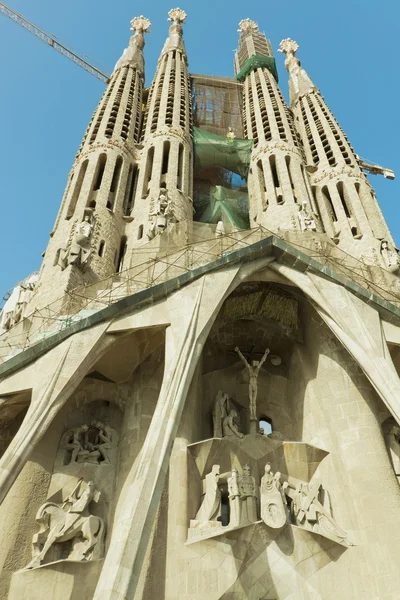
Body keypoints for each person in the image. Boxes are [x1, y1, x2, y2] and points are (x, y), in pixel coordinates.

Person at [235, 346, 270, 420]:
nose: (256, 364)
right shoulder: (249, 369)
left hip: (255, 386)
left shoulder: (257, 370)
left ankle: (254, 415)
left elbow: (262, 361)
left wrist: (266, 354)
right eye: (254, 362)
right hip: (251, 385)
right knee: (251, 401)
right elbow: (244, 360)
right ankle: (251, 414)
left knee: (254, 402)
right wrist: (238, 351)